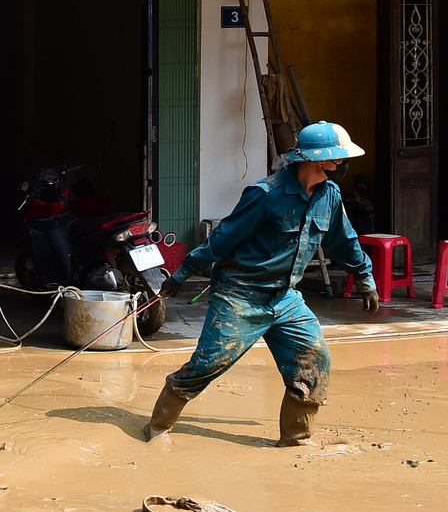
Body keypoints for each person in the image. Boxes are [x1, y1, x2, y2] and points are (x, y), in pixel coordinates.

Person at [144, 121, 380, 447]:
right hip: (239, 295)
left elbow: (345, 241)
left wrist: (365, 277)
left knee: (314, 362)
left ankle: (295, 439)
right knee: (208, 364)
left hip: (285, 298)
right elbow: (224, 237)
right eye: (340, 159)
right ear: (318, 160)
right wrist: (182, 274)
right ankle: (157, 429)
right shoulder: (265, 194)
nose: (343, 165)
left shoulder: (329, 196)